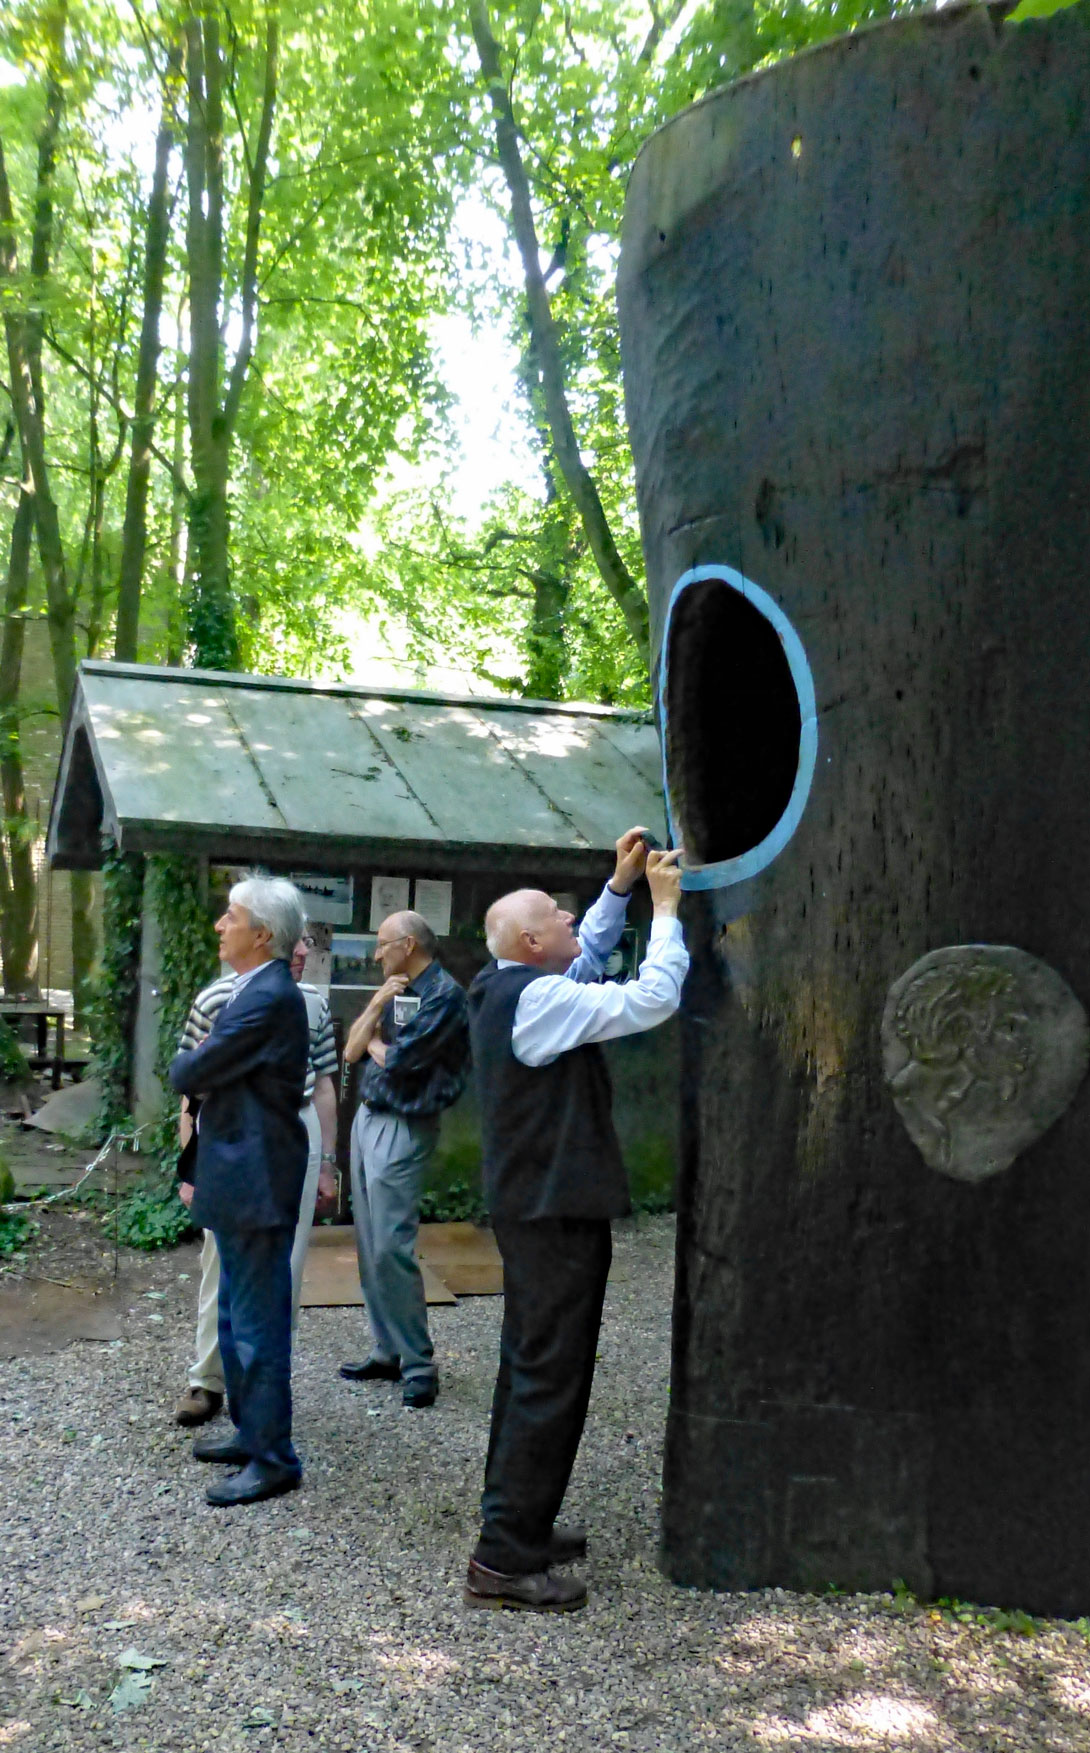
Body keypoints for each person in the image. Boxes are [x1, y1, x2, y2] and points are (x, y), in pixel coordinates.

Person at [463, 828, 687, 1612]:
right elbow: (651, 997)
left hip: (536, 1210)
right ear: (530, 940)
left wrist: (619, 887)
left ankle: (516, 1524)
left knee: (531, 1369)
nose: (569, 915)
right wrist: (664, 912)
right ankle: (504, 1557)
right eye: (554, 913)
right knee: (549, 1377)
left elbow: (582, 955)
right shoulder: (538, 999)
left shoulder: (509, 985)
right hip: (553, 1214)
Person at [169, 875, 310, 1507]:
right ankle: (252, 1435)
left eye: (231, 917)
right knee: (233, 1314)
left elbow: (191, 1069)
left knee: (257, 1322)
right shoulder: (257, 991)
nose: (219, 926)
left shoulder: (268, 996)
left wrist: (198, 1059)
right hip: (239, 1173)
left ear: (262, 934)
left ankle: (274, 1458)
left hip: (256, 1177)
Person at [173, 933, 339, 1427]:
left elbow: (325, 1081)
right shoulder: (217, 996)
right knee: (218, 1263)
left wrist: (328, 1160)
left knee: (284, 1262)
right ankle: (207, 1379)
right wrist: (191, 1168)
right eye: (297, 939)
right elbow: (189, 1092)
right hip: (228, 1136)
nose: (304, 951)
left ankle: (265, 1392)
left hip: (294, 1129)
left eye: (309, 941)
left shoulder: (313, 1004)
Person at [338, 910, 469, 1409]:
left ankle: (418, 1364)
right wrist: (374, 1008)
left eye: (383, 944)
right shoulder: (395, 989)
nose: (376, 954)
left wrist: (371, 1034)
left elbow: (403, 1060)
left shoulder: (444, 996)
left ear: (409, 944)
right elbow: (352, 1054)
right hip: (369, 1118)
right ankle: (387, 1350)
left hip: (404, 1124)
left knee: (392, 1244)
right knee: (369, 1243)